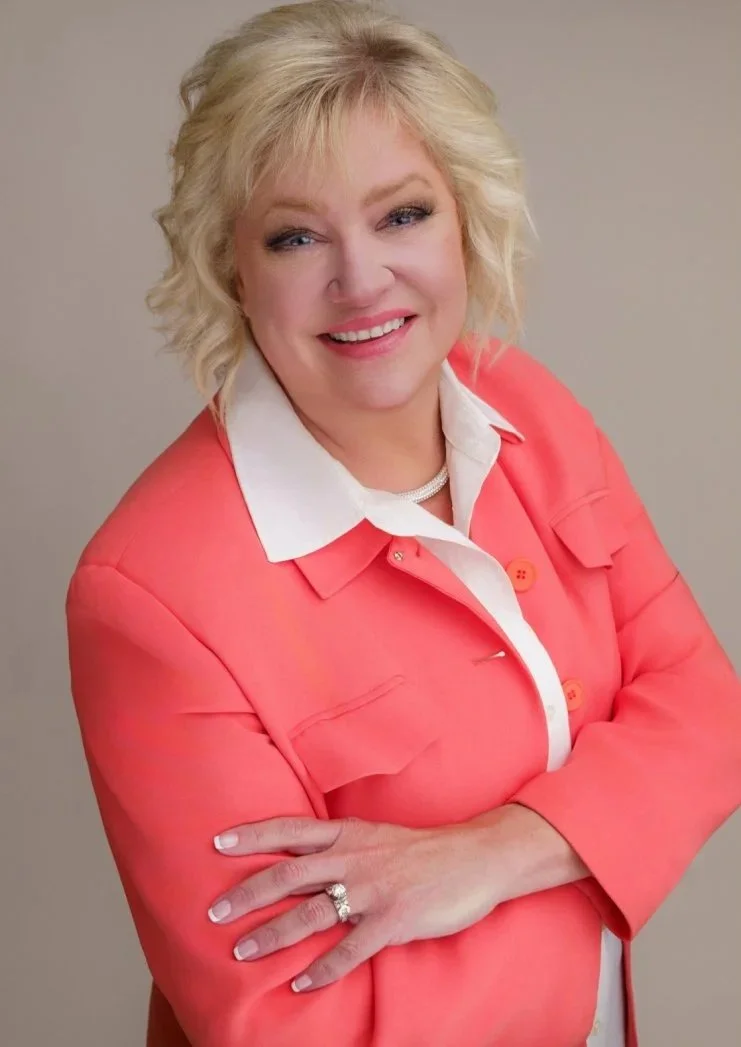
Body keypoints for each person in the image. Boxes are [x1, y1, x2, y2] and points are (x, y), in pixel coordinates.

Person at [65, 2, 741, 1045]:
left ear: (466, 213)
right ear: (231, 267)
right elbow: (293, 1028)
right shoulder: (151, 596)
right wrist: (614, 833)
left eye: (403, 215)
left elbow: (708, 709)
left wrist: (490, 856)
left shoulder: (527, 407)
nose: (362, 278)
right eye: (296, 235)